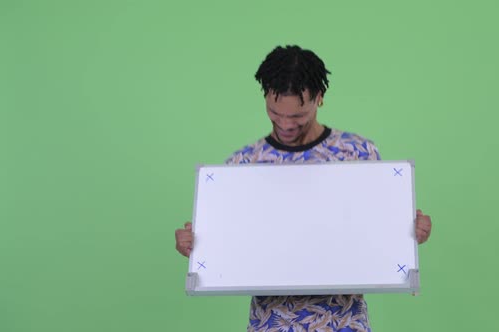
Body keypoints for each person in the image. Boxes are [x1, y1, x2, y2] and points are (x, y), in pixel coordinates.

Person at [175, 45, 433, 332]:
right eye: (275, 112)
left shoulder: (357, 153)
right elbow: (226, 245)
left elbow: (383, 232)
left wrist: (410, 233)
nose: (285, 124)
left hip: (343, 321)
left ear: (319, 98)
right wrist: (197, 246)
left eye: (297, 116)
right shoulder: (243, 164)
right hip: (270, 323)